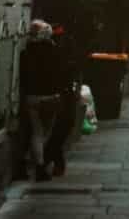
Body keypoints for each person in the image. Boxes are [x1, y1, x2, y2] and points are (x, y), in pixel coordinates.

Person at [19, 20, 64, 181]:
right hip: (51, 96)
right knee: (47, 132)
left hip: (32, 97)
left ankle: (38, 164)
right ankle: (41, 164)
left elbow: (23, 76)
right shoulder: (55, 52)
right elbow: (60, 74)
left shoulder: (26, 53)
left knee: (36, 132)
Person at [43, 23, 79, 178]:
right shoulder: (56, 50)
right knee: (61, 128)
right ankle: (50, 160)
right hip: (59, 94)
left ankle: (50, 159)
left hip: (62, 92)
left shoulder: (62, 47)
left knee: (61, 128)